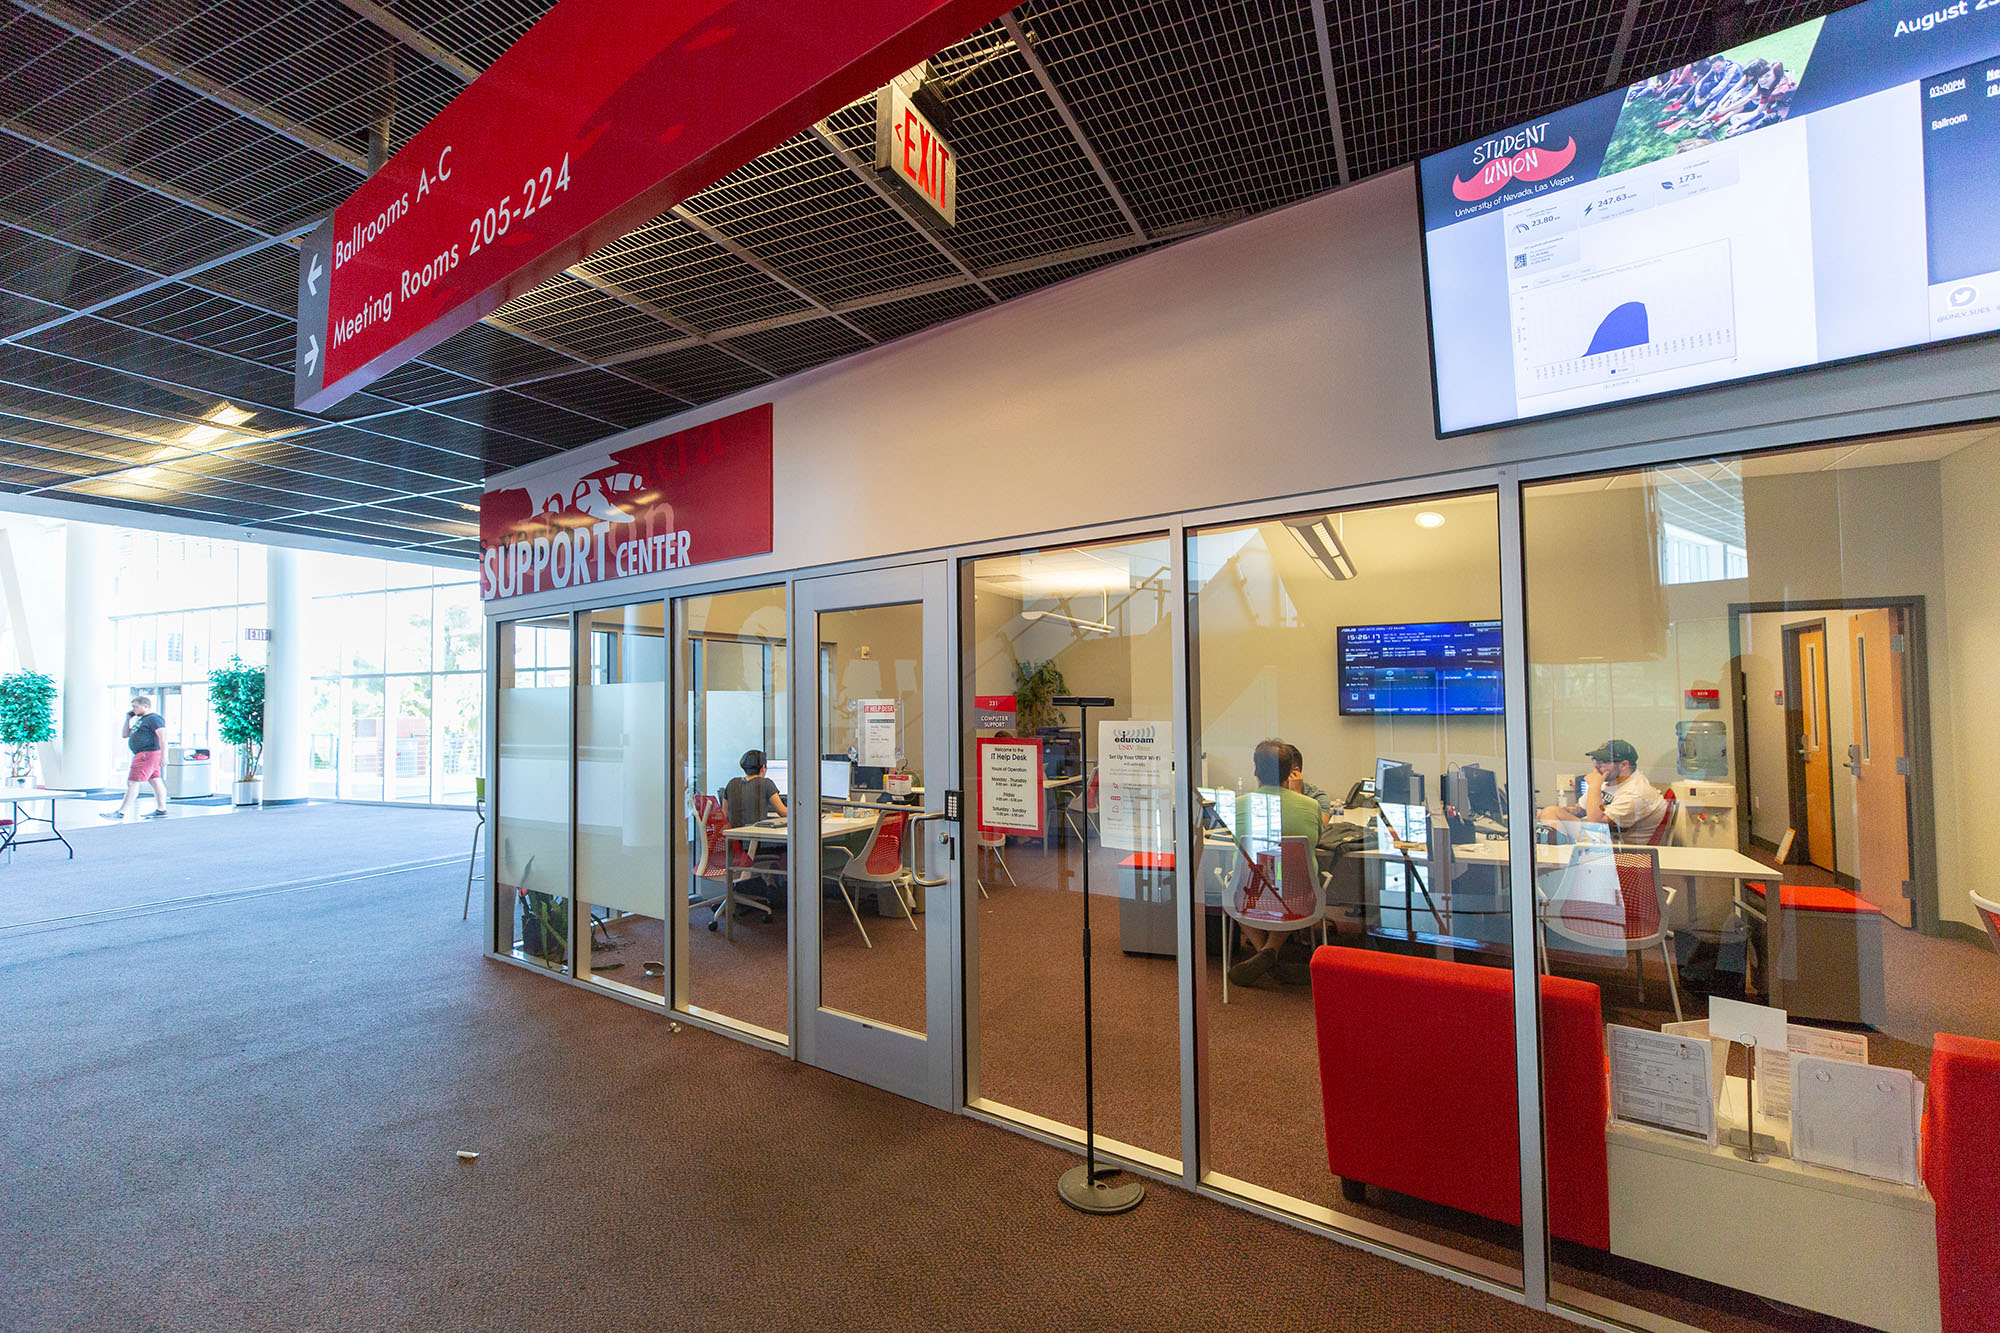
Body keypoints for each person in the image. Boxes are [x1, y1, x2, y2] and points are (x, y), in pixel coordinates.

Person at [1228, 739, 1324, 987]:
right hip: (1299, 898)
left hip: (1249, 897)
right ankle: (1270, 955)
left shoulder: (1237, 806)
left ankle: (1265, 955)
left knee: (1232, 886)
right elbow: (1317, 841)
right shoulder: (1312, 806)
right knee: (1287, 889)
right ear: (1290, 771)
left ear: (1256, 771)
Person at [1538, 739, 1667, 843]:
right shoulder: (1611, 781)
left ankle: (1561, 864)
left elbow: (1597, 823)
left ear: (1624, 765)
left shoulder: (1636, 792)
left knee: (1549, 818)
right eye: (1595, 761)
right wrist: (1543, 814)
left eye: (1603, 762)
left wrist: (1594, 786)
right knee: (1549, 813)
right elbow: (1580, 809)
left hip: (1618, 851)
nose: (1596, 766)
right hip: (1600, 837)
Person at [723, 749, 788, 908]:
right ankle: (782, 893)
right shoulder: (765, 783)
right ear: (763, 767)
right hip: (755, 846)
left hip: (735, 846)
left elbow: (724, 817)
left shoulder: (731, 783)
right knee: (787, 848)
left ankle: (769, 885)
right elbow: (783, 812)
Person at [103, 695, 169, 820]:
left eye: (136, 707)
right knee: (155, 780)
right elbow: (125, 734)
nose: (134, 710)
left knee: (133, 782)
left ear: (146, 706)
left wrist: (164, 756)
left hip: (147, 754)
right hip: (143, 754)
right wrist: (128, 719)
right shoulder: (141, 720)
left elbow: (163, 738)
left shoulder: (154, 719)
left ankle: (121, 812)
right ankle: (162, 809)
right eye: (133, 707)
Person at [1283, 742, 1334, 821]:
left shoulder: (1317, 797)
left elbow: (1318, 829)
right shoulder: (1269, 794)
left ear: (1295, 772)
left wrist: (1296, 795)